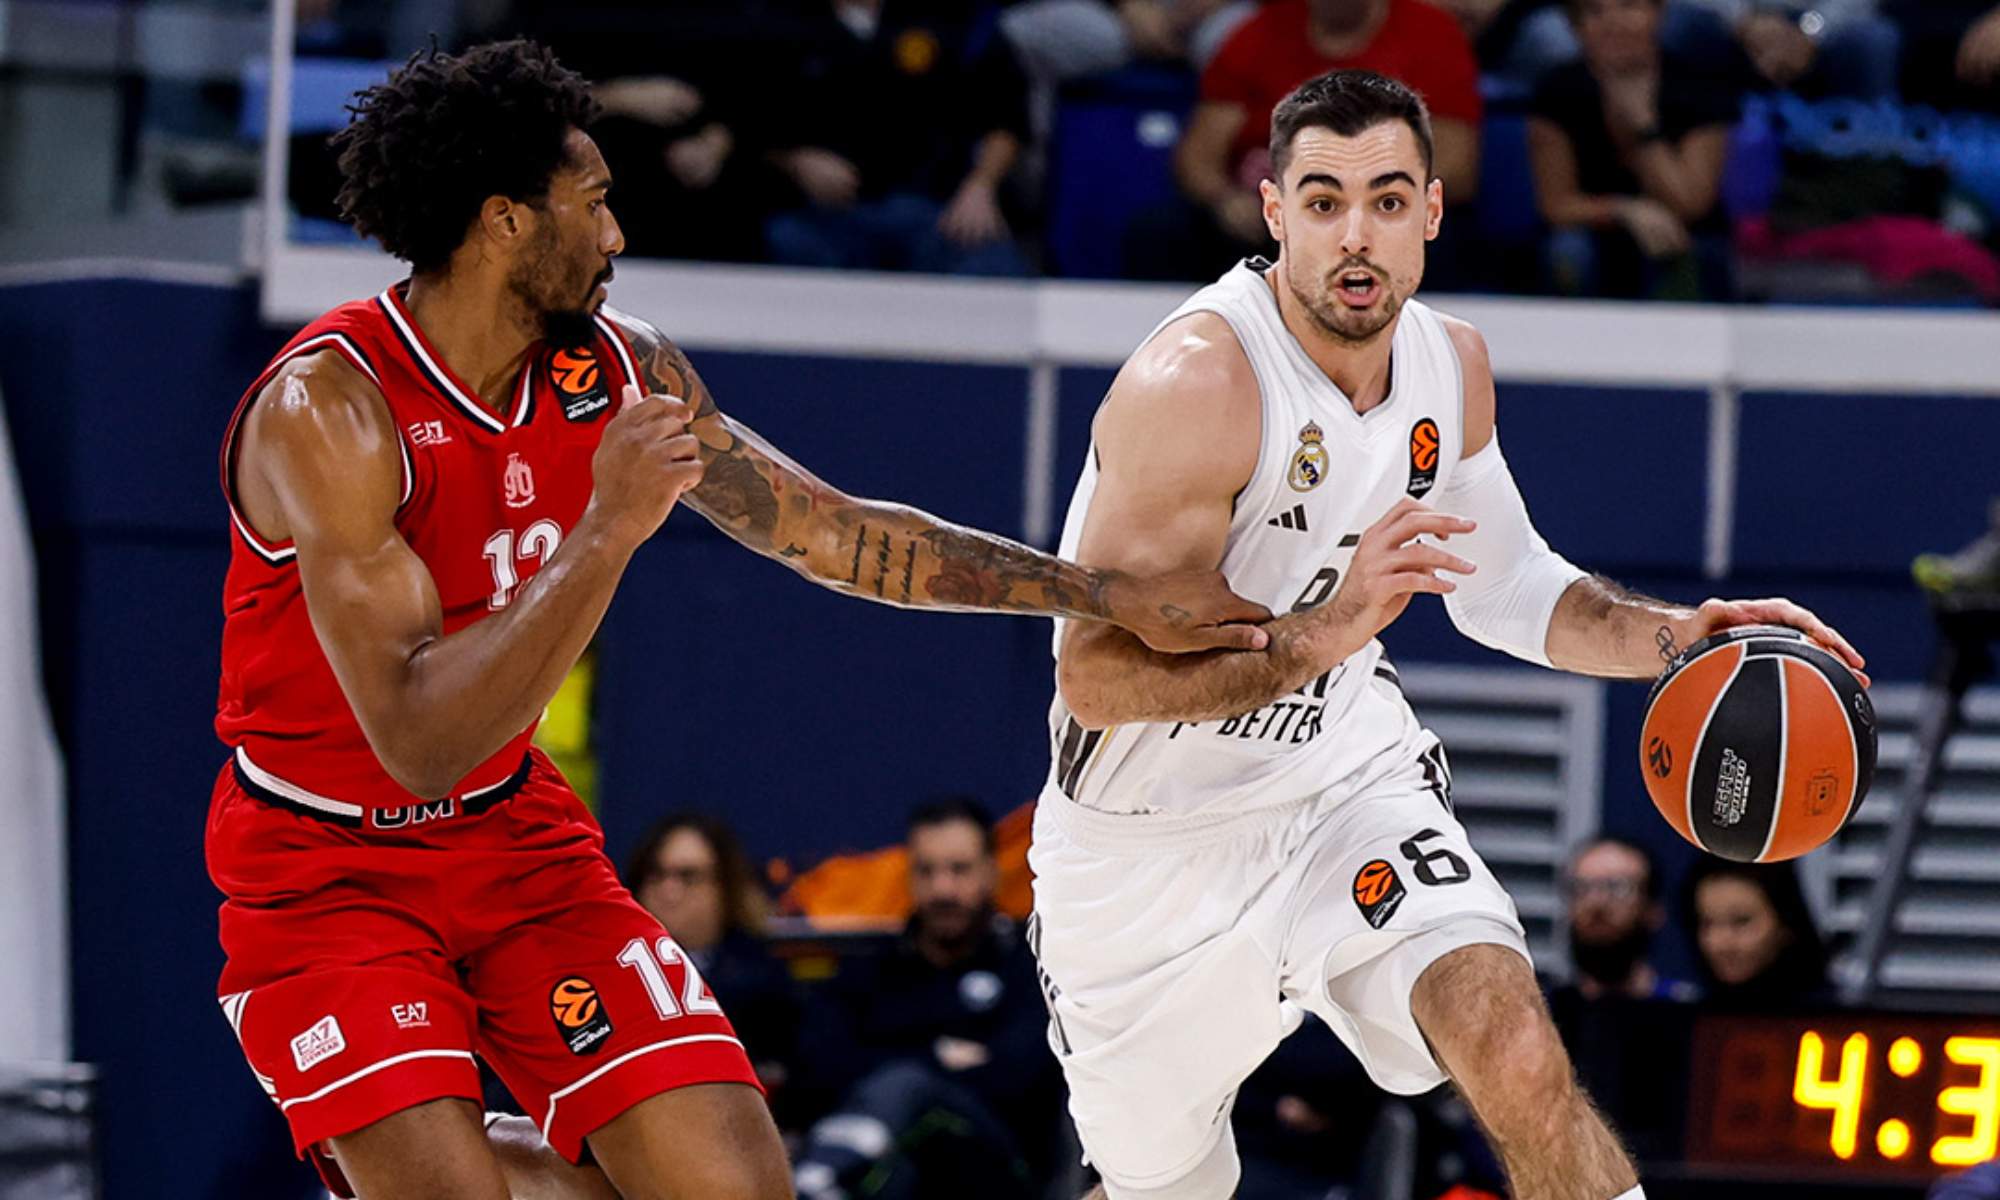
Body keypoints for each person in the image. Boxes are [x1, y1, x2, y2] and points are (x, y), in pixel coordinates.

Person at [207, 39, 1271, 1200]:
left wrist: (1100, 591)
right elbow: (420, 741)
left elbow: (833, 533)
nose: (616, 235)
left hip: (510, 838)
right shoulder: (331, 408)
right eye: (593, 202)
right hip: (328, 864)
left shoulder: (621, 372)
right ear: (504, 221)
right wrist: (608, 527)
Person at [1030, 68, 1868, 1200]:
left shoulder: (1449, 365)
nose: (1354, 235)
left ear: (1430, 210)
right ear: (1274, 212)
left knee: (1511, 1042)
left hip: (1340, 785)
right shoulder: (1198, 383)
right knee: (1163, 1188)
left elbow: (1508, 585)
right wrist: (1324, 631)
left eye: (1386, 200)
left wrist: (1680, 639)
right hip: (1143, 849)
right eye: (1322, 202)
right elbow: (1096, 679)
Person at [792, 799, 1063, 1199]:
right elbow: (817, 1070)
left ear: (991, 872)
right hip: (894, 1171)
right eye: (926, 871)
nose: (942, 889)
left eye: (959, 870)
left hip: (996, 1173)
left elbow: (1021, 1080)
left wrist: (903, 1067)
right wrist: (937, 1055)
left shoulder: (1030, 968)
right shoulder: (870, 970)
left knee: (909, 1090)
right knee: (896, 1168)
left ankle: (820, 1180)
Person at [1130, 0, 1482, 281]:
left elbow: (1455, 168)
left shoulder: (1431, 34)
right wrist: (1224, 198)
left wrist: (1360, 205)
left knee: (1438, 239)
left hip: (1379, 212)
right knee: (1162, 232)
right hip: (1264, 215)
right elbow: (1199, 154)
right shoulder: (1258, 32)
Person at [762, 0, 1036, 275]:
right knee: (780, 246)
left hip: (935, 207)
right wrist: (794, 160)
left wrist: (982, 184)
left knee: (996, 269)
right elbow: (748, 120)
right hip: (819, 214)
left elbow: (1005, 113)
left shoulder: (949, 17)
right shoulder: (777, 19)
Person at [1527, 0, 1740, 300]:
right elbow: (1556, 205)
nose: (1613, 22)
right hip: (1596, 231)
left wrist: (1642, 125)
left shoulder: (1699, 90)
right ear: (1576, 27)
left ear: (1658, 13)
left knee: (1694, 254)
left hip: (1686, 232)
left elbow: (1690, 203)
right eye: (1595, 12)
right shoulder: (1557, 91)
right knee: (1568, 251)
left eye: (1629, 7)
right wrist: (1626, 210)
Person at [622, 813, 801, 1105]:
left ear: (724, 887)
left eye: (687, 876)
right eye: (655, 874)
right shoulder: (608, 972)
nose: (668, 891)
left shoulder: (764, 978)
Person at [1557, 836, 1697, 1003]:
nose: (1596, 903)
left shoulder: (1685, 1009)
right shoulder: (1544, 1010)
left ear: (1654, 910)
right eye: (1582, 888)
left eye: (1618, 888)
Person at [1682, 858, 1833, 1009]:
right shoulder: (1685, 1010)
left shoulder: (1830, 1013)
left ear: (1786, 922)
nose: (1720, 944)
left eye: (1741, 921)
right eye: (1707, 923)